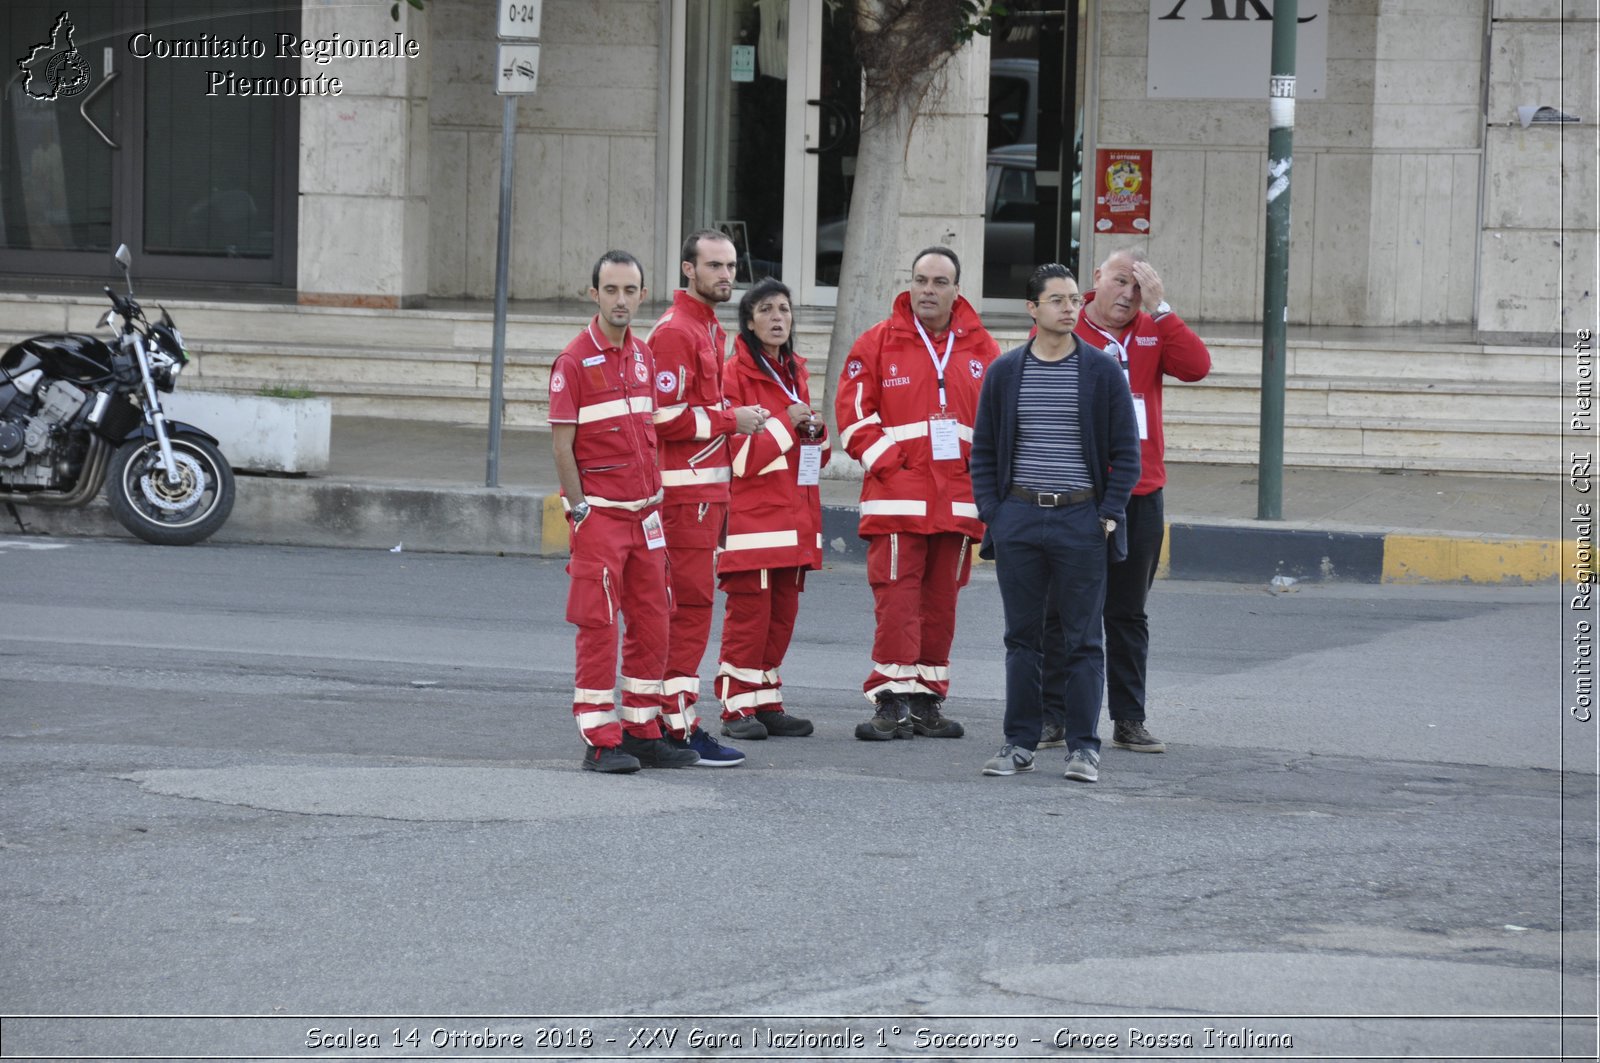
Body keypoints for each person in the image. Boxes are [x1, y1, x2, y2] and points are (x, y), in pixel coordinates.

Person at [970, 262, 1140, 783]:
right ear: (1033, 309)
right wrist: (996, 516)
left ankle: (1083, 749)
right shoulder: (1004, 371)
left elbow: (1126, 455)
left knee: (1083, 640)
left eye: (1074, 300)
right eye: (1058, 300)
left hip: (1080, 519)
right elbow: (984, 452)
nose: (1070, 308)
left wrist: (1107, 516)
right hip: (1019, 517)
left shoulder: (1102, 370)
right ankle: (1018, 743)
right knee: (1022, 639)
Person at [1039, 249, 1213, 754]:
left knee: (1128, 613)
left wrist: (1162, 311)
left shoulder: (1154, 328)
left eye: (1139, 287)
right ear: (1097, 280)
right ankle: (1055, 717)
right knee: (1064, 610)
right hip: (1079, 491)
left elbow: (1197, 367)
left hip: (1140, 492)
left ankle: (1129, 720)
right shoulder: (1067, 324)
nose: (1128, 295)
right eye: (1121, 281)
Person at [834, 246, 1000, 741]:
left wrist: (980, 479)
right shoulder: (877, 343)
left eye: (939, 282)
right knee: (897, 601)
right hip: (898, 500)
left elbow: (997, 423)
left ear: (956, 289)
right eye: (920, 280)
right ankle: (890, 699)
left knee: (942, 601)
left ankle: (927, 699)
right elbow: (854, 417)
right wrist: (893, 465)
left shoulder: (982, 349)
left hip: (958, 501)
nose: (927, 290)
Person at [547, 250, 697, 773]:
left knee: (654, 620)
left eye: (630, 291)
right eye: (611, 290)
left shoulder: (643, 356)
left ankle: (640, 730)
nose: (621, 300)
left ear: (641, 294)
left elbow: (650, 432)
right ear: (594, 294)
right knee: (600, 626)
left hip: (646, 517)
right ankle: (600, 738)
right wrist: (581, 511)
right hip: (602, 519)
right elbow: (563, 448)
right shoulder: (572, 361)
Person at [645, 229, 765, 764]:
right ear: (687, 270)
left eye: (731, 266)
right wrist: (729, 419)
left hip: (704, 496)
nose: (725, 275)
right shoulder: (677, 332)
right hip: (683, 500)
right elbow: (661, 417)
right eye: (714, 266)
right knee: (685, 611)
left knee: (687, 610)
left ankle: (670, 719)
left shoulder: (705, 327)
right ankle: (676, 724)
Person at [713, 278, 829, 738]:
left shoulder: (793, 369)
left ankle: (765, 701)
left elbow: (800, 454)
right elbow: (740, 457)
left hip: (793, 520)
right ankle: (734, 709)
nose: (777, 317)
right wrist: (787, 422)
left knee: (781, 618)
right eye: (765, 310)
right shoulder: (734, 374)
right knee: (750, 618)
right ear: (748, 322)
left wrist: (815, 435)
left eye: (783, 309)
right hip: (752, 523)